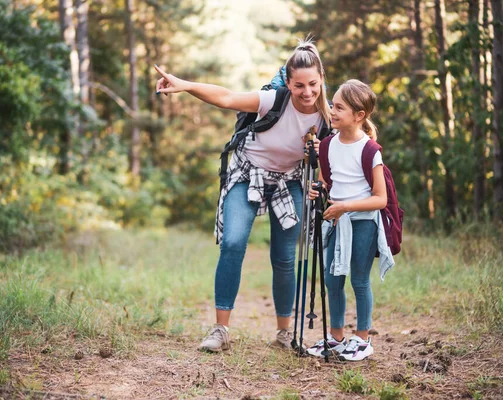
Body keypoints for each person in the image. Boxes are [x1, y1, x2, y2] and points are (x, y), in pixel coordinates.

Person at [154, 39, 332, 352]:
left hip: (289, 180)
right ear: (288, 83)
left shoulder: (327, 119)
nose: (307, 92)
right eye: (299, 85)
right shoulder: (272, 99)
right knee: (233, 242)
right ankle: (220, 330)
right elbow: (226, 97)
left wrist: (321, 159)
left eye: (313, 84)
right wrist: (184, 85)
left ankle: (283, 334)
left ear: (322, 81)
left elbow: (357, 142)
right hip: (247, 172)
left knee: (285, 256)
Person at [306, 79, 395, 361]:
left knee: (358, 279)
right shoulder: (327, 146)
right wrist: (317, 190)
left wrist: (345, 207)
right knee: (333, 281)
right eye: (332, 105)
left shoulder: (370, 150)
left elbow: (380, 199)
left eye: (339, 107)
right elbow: (326, 182)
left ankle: (363, 339)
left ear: (359, 116)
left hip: (363, 222)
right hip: (336, 222)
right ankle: (335, 338)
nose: (332, 111)